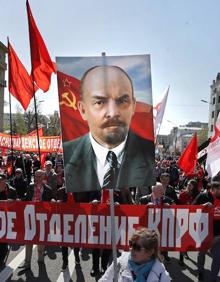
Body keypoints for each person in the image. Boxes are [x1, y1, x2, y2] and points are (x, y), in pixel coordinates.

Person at [63, 65, 155, 193]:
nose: (112, 113)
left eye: (122, 101)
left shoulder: (148, 156)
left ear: (133, 106)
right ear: (83, 109)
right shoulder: (68, 155)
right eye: (100, 102)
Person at [99, 227, 171, 282]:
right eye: (131, 244)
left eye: (137, 247)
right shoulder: (120, 263)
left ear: (150, 251)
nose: (131, 249)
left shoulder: (161, 275)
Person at [18, 170, 53, 271]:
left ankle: (40, 258)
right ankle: (27, 262)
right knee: (29, 239)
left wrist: (53, 201)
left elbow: (50, 201)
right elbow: (25, 198)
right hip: (30, 216)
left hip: (42, 218)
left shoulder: (48, 189)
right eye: (35, 176)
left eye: (39, 176)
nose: (36, 178)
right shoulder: (30, 187)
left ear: (43, 178)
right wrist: (18, 201)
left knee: (41, 240)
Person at [192, 181, 220, 282]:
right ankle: (200, 271)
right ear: (212, 189)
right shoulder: (203, 196)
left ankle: (213, 278)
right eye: (218, 189)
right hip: (204, 232)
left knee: (218, 257)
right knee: (202, 254)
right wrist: (202, 206)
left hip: (218, 235)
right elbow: (191, 209)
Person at [0, 173, 17, 267]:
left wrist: (11, 202)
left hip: (6, 219)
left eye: (1, 180)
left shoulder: (11, 191)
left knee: (3, 240)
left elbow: (17, 204)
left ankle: (2, 257)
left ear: (5, 180)